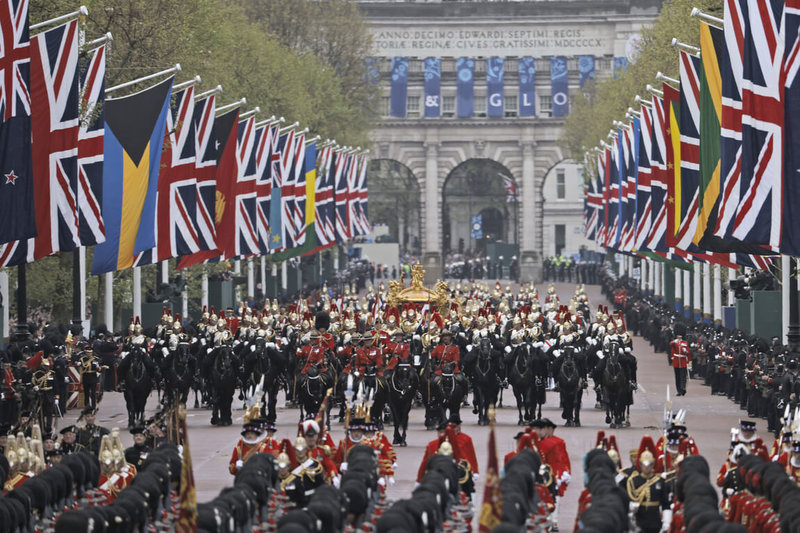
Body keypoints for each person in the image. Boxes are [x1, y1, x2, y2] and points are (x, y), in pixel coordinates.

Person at [625, 436, 670, 533]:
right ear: (640, 465)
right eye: (644, 465)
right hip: (639, 522)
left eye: (649, 464)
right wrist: (631, 507)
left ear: (653, 465)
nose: (646, 467)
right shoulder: (633, 481)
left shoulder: (659, 481)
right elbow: (628, 500)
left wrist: (666, 522)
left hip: (655, 522)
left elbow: (665, 504)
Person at [669, 324, 691, 396]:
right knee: (677, 377)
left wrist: (689, 363)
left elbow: (688, 353)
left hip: (683, 361)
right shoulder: (674, 343)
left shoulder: (685, 343)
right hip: (676, 362)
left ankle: (683, 388)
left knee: (683, 377)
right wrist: (675, 341)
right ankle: (678, 390)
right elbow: (671, 345)